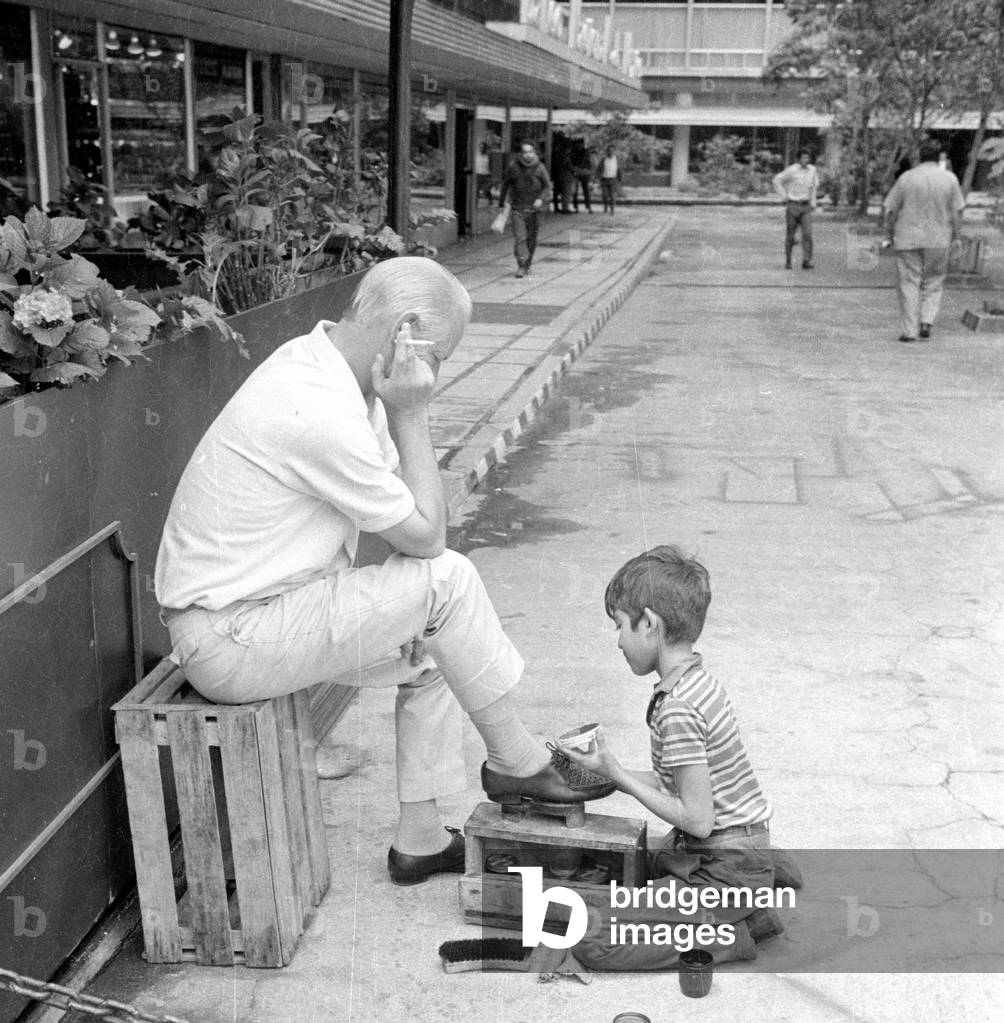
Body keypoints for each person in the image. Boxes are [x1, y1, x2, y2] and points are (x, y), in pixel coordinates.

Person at [154, 258, 592, 887]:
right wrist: (415, 413)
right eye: (440, 356)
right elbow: (427, 537)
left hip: (272, 615)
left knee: (444, 641)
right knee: (449, 579)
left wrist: (408, 613)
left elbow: (408, 514)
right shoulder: (318, 408)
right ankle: (516, 760)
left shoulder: (329, 368)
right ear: (407, 331)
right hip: (232, 639)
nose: (436, 373)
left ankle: (419, 839)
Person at [562, 545, 802, 970]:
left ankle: (744, 928)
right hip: (729, 849)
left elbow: (697, 819)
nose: (617, 640)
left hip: (718, 864)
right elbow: (678, 780)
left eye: (619, 626)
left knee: (593, 940)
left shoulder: (678, 708)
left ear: (649, 623)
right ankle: (760, 875)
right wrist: (607, 770)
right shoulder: (696, 682)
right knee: (636, 862)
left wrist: (616, 771)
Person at [882, 138, 965, 343]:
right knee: (934, 282)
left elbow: (891, 210)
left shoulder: (906, 178)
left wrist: (888, 234)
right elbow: (957, 212)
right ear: (938, 158)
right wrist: (957, 237)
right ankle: (926, 322)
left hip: (908, 239)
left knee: (909, 284)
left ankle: (909, 331)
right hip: (938, 239)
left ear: (919, 157)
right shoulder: (950, 179)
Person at [499, 140, 551, 278]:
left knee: (531, 239)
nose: (528, 155)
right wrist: (502, 203)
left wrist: (541, 199)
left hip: (535, 209)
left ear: (534, 153)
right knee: (520, 238)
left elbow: (547, 186)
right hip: (518, 208)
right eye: (525, 152)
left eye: (530, 152)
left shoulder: (540, 167)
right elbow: (506, 185)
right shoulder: (513, 167)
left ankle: (527, 264)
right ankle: (522, 266)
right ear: (520, 154)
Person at [773, 148, 818, 269]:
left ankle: (807, 260)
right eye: (803, 157)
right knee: (791, 235)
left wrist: (813, 202)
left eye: (808, 158)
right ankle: (788, 260)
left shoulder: (812, 170)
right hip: (793, 205)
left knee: (807, 234)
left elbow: (813, 187)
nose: (806, 160)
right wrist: (783, 196)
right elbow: (777, 180)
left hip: (805, 205)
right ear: (799, 159)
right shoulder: (792, 170)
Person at [571, 142, 594, 214]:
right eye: (578, 144)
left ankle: (588, 207)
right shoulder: (573, 152)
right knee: (575, 191)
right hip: (576, 172)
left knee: (586, 190)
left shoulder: (586, 153)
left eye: (580, 144)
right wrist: (575, 169)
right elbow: (572, 162)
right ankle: (575, 207)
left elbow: (590, 164)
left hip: (584, 173)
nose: (579, 145)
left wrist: (587, 170)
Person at [598, 144, 620, 215]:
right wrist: (598, 178)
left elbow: (619, 170)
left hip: (613, 179)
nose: (610, 152)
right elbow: (599, 169)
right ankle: (605, 206)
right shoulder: (603, 159)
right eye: (609, 151)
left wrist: (620, 179)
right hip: (604, 179)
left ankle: (612, 210)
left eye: (612, 151)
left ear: (614, 151)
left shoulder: (616, 159)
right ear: (607, 151)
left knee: (613, 196)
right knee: (605, 195)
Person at [474, 141, 492, 206]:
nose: (481, 149)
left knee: (486, 190)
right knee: (476, 190)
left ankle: (490, 200)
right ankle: (475, 204)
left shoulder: (488, 156)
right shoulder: (476, 156)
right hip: (478, 175)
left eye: (483, 148)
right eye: (480, 147)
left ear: (485, 148)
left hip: (486, 175)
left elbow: (492, 166)